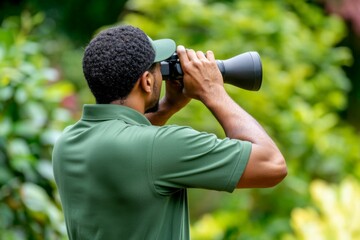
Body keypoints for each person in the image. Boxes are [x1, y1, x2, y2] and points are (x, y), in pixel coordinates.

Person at [52, 25, 287, 240]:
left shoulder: (67, 144)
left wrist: (168, 106)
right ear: (146, 82)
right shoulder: (163, 147)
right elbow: (272, 164)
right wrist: (212, 90)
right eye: (157, 69)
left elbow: (129, 146)